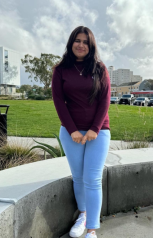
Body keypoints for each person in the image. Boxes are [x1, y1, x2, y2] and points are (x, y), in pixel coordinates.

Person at [51, 26, 111, 238]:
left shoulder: (99, 68)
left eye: (85, 41)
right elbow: (59, 101)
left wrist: (95, 129)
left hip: (99, 131)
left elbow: (105, 100)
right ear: (71, 42)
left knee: (92, 179)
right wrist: (72, 130)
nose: (81, 44)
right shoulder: (60, 70)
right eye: (77, 40)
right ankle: (83, 215)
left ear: (91, 45)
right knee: (78, 177)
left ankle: (92, 229)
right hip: (71, 132)